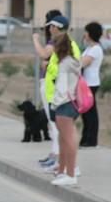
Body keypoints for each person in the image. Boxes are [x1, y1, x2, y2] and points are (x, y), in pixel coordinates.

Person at [32, 13, 82, 171]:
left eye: (52, 26)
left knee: (63, 132)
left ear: (57, 28)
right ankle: (62, 165)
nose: (50, 29)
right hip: (58, 93)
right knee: (59, 131)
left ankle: (70, 168)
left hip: (62, 95)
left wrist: (35, 39)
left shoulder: (62, 44)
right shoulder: (66, 44)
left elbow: (45, 55)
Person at [49, 34, 81, 186]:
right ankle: (63, 171)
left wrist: (54, 104)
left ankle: (70, 174)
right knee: (64, 139)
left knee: (67, 140)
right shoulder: (72, 62)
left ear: (58, 47)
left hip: (64, 104)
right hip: (72, 103)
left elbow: (61, 88)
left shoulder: (64, 64)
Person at [79, 22, 103, 147]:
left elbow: (83, 63)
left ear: (91, 33)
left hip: (91, 83)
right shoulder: (89, 48)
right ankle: (85, 138)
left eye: (86, 32)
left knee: (90, 112)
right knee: (86, 112)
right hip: (86, 83)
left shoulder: (96, 49)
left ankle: (91, 140)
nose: (84, 34)